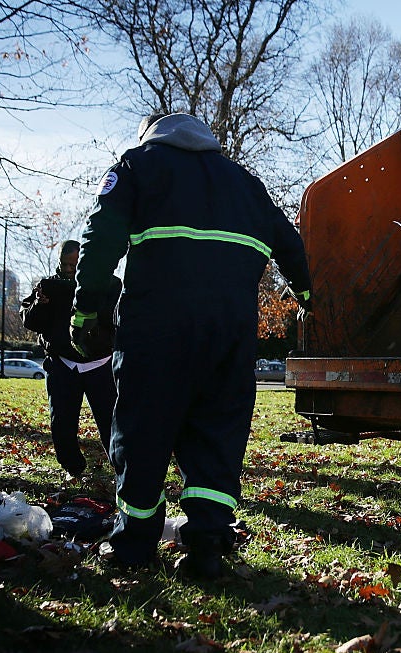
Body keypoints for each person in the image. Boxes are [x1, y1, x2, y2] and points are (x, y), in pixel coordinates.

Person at [70, 113, 312, 578]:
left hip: (156, 330)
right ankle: (206, 546)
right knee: (217, 436)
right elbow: (290, 244)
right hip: (229, 336)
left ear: (152, 136)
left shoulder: (138, 165)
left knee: (143, 430)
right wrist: (305, 295)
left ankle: (134, 544)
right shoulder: (248, 183)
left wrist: (85, 310)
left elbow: (100, 239)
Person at [19, 240, 120, 479]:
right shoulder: (47, 286)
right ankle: (73, 467)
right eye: (65, 265)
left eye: (75, 266)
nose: (70, 270)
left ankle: (120, 467)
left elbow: (116, 320)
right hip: (62, 363)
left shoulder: (111, 284)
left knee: (111, 422)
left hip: (99, 363)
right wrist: (39, 304)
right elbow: (30, 321)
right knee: (62, 423)